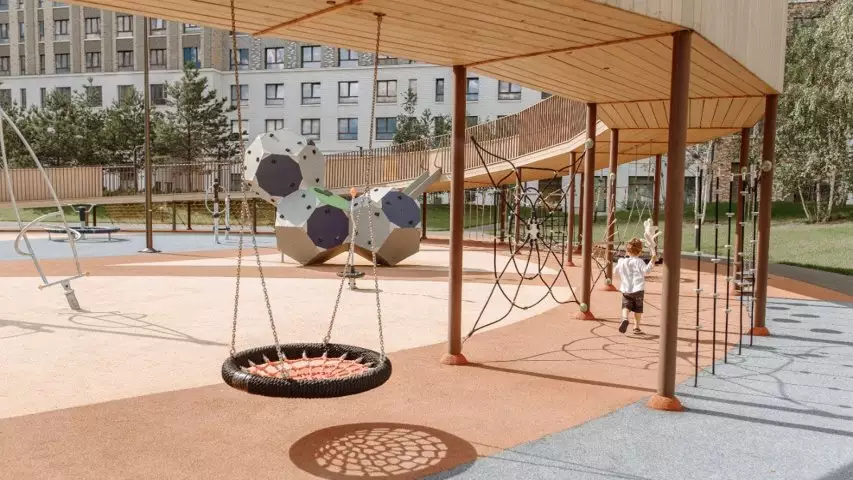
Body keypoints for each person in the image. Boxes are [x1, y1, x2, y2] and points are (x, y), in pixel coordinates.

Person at [614, 237, 657, 335]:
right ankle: (636, 327)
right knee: (638, 309)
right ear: (640, 252)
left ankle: (625, 318)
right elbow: (646, 271)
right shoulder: (639, 261)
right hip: (638, 290)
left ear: (627, 251)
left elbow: (615, 272)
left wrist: (620, 263)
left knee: (625, 306)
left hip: (626, 290)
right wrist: (652, 261)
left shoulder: (622, 261)